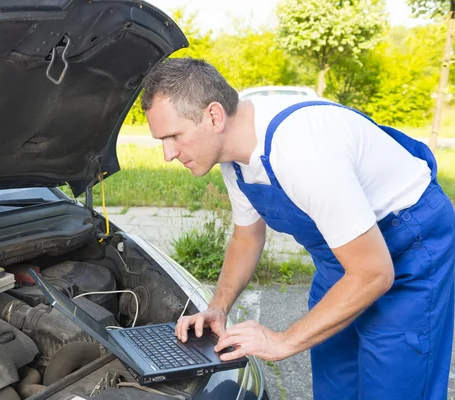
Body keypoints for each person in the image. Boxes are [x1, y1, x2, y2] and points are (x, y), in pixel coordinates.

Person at [140, 58, 455, 399]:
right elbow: (246, 237)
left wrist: (281, 340)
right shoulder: (234, 154)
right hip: (343, 261)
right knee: (336, 384)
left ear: (214, 116)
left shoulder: (300, 151)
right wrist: (218, 307)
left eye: (174, 136)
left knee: (394, 388)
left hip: (409, 252)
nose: (167, 154)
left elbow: (373, 274)